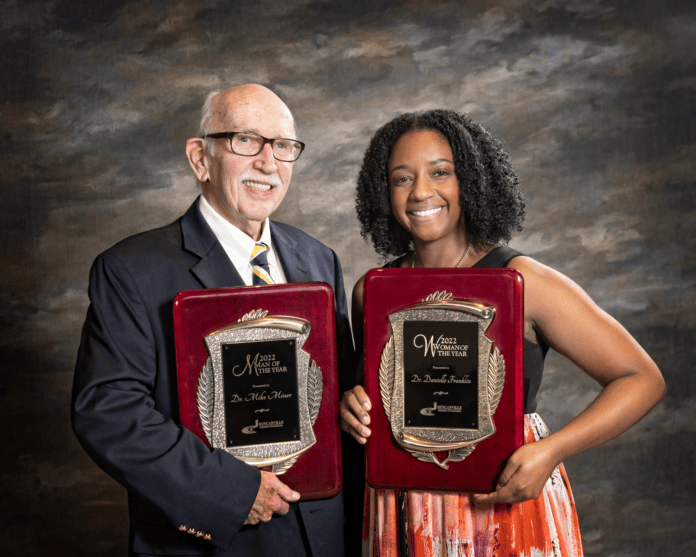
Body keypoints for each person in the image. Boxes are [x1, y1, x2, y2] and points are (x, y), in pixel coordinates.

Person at [339, 109, 665, 556]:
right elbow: (377, 397)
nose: (421, 192)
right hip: (402, 506)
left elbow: (641, 379)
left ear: (470, 181)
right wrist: (354, 407)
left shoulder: (523, 280)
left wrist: (550, 452)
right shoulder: (371, 291)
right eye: (401, 178)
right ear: (383, 192)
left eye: (441, 173)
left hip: (505, 502)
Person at [72, 84, 352, 556]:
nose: (268, 162)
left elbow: (335, 386)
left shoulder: (318, 259)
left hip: (322, 535)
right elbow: (108, 412)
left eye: (283, 146)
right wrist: (233, 492)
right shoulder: (131, 270)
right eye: (246, 140)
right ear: (200, 158)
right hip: (216, 541)